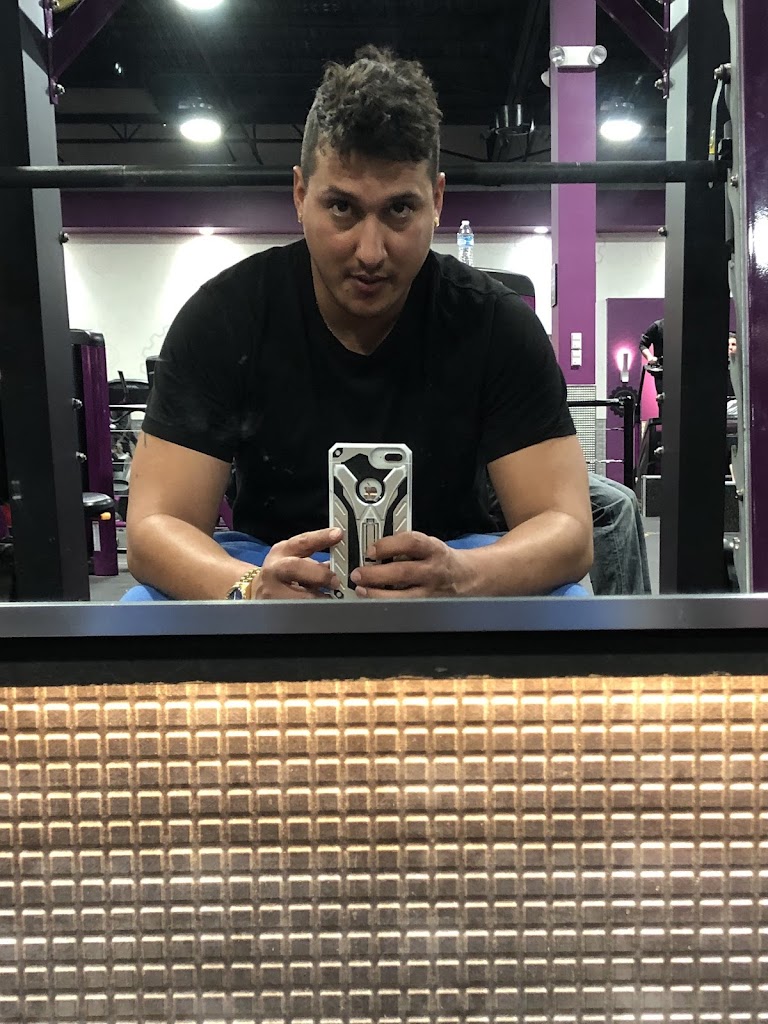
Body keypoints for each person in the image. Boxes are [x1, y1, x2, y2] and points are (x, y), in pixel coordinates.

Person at [124, 46, 592, 602]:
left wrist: (464, 575)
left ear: (437, 200)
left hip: (449, 559)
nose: (370, 252)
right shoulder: (223, 316)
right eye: (342, 208)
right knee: (143, 607)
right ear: (300, 195)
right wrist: (246, 588)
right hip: (270, 560)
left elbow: (567, 530)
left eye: (399, 210)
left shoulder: (496, 324)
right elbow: (154, 529)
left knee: (570, 601)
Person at [639, 318, 664, 398]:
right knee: (663, 401)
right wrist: (650, 357)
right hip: (662, 373)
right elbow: (643, 344)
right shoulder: (658, 326)